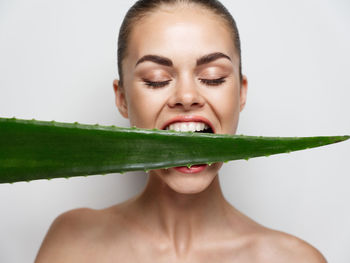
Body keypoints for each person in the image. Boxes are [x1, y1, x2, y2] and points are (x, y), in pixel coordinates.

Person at [35, 0, 327, 262]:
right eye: (156, 80)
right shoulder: (73, 243)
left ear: (241, 93)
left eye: (213, 78)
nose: (186, 96)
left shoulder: (294, 259)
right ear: (122, 98)